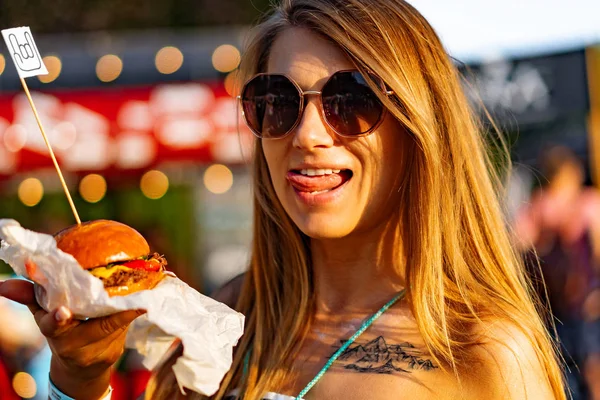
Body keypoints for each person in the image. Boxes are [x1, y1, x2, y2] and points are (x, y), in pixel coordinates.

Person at [0, 0, 566, 399]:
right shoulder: (225, 318)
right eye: (276, 101)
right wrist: (78, 379)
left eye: (351, 99)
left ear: (419, 126)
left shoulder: (483, 349)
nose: (308, 134)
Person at [514, 145, 600, 400]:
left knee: (585, 369)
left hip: (571, 305)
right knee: (585, 369)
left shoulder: (552, 207)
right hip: (571, 306)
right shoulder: (561, 206)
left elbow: (517, 243)